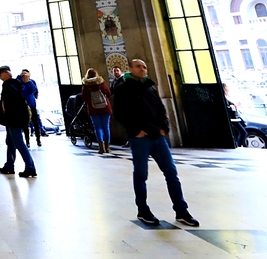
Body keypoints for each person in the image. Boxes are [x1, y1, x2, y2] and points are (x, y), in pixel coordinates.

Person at [111, 58, 198, 227]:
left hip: (157, 136)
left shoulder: (150, 86)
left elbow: (160, 109)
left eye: (144, 66)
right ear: (130, 69)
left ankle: (182, 210)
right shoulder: (123, 88)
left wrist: (164, 127)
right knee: (141, 174)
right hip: (140, 138)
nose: (143, 69)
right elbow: (120, 113)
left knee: (171, 172)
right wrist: (136, 131)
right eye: (138, 66)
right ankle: (143, 210)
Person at [0, 66, 37, 177]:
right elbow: (9, 101)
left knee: (19, 143)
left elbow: (13, 103)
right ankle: (9, 165)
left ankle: (30, 167)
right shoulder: (12, 85)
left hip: (13, 119)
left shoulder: (10, 85)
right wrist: (0, 103)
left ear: (7, 73)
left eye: (2, 73)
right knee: (11, 142)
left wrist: (2, 105)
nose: (0, 75)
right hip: (12, 119)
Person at [80, 68, 113, 154]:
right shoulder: (101, 82)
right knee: (106, 127)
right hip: (105, 107)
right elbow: (109, 93)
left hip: (93, 108)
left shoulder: (86, 85)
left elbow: (84, 97)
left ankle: (101, 148)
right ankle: (107, 147)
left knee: (97, 127)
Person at [18, 69, 40, 148]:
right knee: (25, 124)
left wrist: (29, 82)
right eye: (23, 76)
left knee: (35, 122)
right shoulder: (19, 83)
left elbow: (34, 90)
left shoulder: (31, 82)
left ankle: (38, 139)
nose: (25, 78)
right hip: (23, 105)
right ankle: (27, 141)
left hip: (32, 104)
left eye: (27, 76)